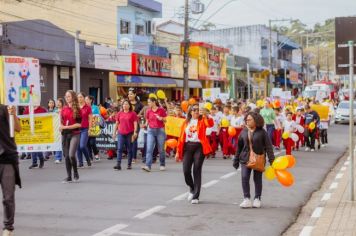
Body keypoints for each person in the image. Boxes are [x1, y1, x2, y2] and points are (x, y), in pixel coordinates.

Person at [233, 112, 275, 208]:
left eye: (249, 119)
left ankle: (257, 198)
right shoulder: (243, 131)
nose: (247, 121)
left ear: (256, 121)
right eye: (246, 120)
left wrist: (272, 161)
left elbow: (269, 147)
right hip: (245, 159)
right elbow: (239, 147)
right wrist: (236, 160)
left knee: (257, 179)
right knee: (244, 177)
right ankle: (246, 199)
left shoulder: (262, 132)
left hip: (258, 159)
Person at [175, 104, 213, 204]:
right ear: (190, 112)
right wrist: (177, 152)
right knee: (186, 170)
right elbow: (181, 138)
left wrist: (206, 115)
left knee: (196, 169)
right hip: (188, 147)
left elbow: (210, 124)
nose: (196, 111)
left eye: (198, 110)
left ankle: (196, 196)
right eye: (194, 110)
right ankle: (192, 187)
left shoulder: (202, 120)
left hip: (199, 147)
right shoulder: (186, 122)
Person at [0, 105, 22, 236]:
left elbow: (18, 128)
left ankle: (8, 228)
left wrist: (13, 114)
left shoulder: (4, 109)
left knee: (8, 197)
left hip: (7, 158)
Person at [60, 90, 82, 183]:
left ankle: (75, 172)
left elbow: (79, 125)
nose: (66, 97)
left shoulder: (77, 109)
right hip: (65, 134)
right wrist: (61, 127)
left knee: (71, 155)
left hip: (75, 134)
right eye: (66, 96)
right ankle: (69, 176)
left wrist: (67, 126)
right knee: (66, 156)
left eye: (68, 96)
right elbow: (61, 121)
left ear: (73, 97)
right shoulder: (63, 109)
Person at [142, 97, 167, 172]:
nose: (148, 104)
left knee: (161, 149)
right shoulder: (148, 111)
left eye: (149, 102)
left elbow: (166, 119)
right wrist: (145, 125)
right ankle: (148, 166)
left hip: (160, 130)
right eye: (148, 102)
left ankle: (162, 164)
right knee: (149, 149)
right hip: (150, 131)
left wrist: (161, 119)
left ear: (154, 102)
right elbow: (147, 120)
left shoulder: (161, 110)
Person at [112, 99, 138, 170]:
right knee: (119, 149)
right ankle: (118, 164)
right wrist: (114, 133)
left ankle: (129, 164)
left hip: (130, 133)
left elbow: (135, 123)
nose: (125, 105)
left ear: (129, 105)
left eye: (126, 104)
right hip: (121, 133)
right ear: (122, 105)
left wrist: (135, 132)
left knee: (129, 149)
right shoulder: (119, 113)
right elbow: (117, 123)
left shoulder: (133, 113)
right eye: (124, 104)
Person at [128, 88, 144, 163]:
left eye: (131, 94)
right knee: (128, 140)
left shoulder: (140, 104)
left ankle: (134, 157)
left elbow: (144, 114)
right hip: (127, 124)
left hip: (136, 124)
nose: (129, 95)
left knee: (134, 139)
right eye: (129, 94)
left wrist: (139, 116)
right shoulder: (126, 103)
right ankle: (130, 155)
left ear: (135, 95)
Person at [77, 92, 92, 168]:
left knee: (82, 146)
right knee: (78, 147)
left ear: (83, 98)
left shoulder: (88, 107)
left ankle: (88, 158)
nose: (79, 99)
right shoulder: (75, 107)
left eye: (81, 97)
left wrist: (90, 129)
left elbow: (90, 119)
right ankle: (80, 163)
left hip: (85, 129)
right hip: (76, 129)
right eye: (78, 97)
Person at [85, 95, 101, 162]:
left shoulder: (95, 107)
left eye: (87, 99)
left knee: (92, 142)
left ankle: (96, 153)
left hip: (94, 127)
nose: (85, 101)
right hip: (86, 126)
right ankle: (90, 157)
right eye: (85, 99)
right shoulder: (84, 107)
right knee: (87, 143)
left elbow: (98, 117)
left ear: (90, 100)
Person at [54, 98, 64, 164]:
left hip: (64, 128)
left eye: (59, 102)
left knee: (64, 143)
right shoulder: (55, 111)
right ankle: (58, 158)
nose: (58, 103)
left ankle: (67, 155)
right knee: (58, 143)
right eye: (57, 102)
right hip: (57, 129)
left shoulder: (65, 110)